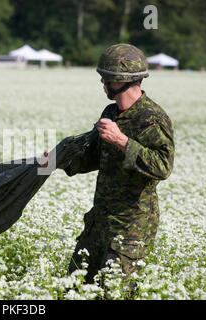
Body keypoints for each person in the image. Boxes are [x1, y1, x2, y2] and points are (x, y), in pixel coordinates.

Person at [64, 44, 175, 286]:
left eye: (105, 78)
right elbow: (94, 156)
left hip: (130, 229)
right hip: (99, 223)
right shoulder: (111, 111)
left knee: (113, 291)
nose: (102, 83)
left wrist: (122, 141)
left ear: (118, 80)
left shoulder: (152, 118)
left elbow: (163, 166)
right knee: (74, 285)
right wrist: (56, 161)